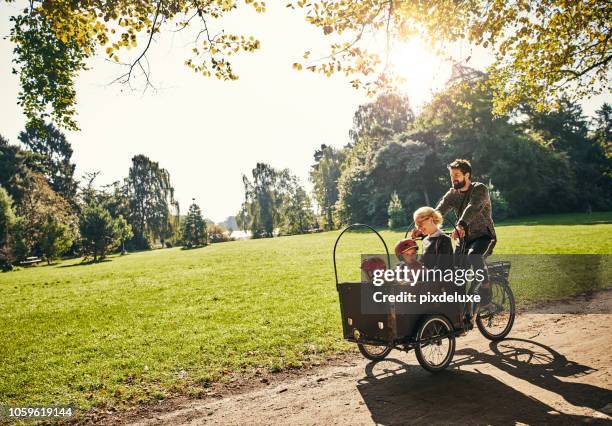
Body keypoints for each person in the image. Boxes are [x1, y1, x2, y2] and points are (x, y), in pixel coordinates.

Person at [435, 159, 496, 304]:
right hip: (464, 240)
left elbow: (473, 207)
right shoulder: (453, 193)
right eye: (451, 175)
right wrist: (423, 225)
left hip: (483, 236)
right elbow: (439, 210)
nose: (453, 178)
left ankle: (486, 286)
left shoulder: (479, 189)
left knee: (474, 256)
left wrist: (461, 225)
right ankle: (460, 312)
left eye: (456, 175)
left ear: (467, 175)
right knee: (455, 273)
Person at [412, 207, 454, 271]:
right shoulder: (425, 240)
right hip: (428, 278)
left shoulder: (444, 240)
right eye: (416, 225)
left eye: (420, 224)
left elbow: (441, 269)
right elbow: (424, 263)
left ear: (430, 220)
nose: (418, 228)